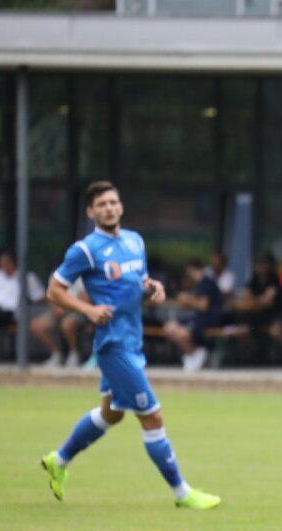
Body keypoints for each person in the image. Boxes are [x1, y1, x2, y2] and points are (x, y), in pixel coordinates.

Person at [39, 181, 220, 510]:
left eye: (113, 202)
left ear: (121, 207)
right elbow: (54, 291)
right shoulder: (85, 250)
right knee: (153, 417)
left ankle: (58, 460)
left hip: (132, 340)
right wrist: (88, 310)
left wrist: (153, 288)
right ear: (90, 212)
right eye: (101, 204)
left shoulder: (135, 241)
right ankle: (182, 493)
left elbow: (138, 281)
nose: (108, 208)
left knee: (111, 414)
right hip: (113, 345)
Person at [0, 247, 61, 362]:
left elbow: (40, 297)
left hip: (18, 313)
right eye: (0, 262)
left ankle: (52, 354)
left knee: (22, 316)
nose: (1, 264)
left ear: (12, 262)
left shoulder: (27, 277)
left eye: (4, 261)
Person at [164, 259, 224, 373]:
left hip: (209, 320)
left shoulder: (206, 282)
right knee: (169, 327)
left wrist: (188, 299)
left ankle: (196, 354)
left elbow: (203, 305)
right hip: (199, 318)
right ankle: (193, 354)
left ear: (192, 270)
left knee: (181, 333)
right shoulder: (200, 284)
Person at [241, 252, 282, 359]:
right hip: (259, 314)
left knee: (275, 331)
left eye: (264, 264)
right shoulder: (254, 280)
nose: (261, 267)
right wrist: (259, 299)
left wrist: (256, 299)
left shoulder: (274, 280)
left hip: (276, 313)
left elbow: (268, 300)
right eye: (259, 264)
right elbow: (245, 295)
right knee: (244, 330)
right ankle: (258, 353)